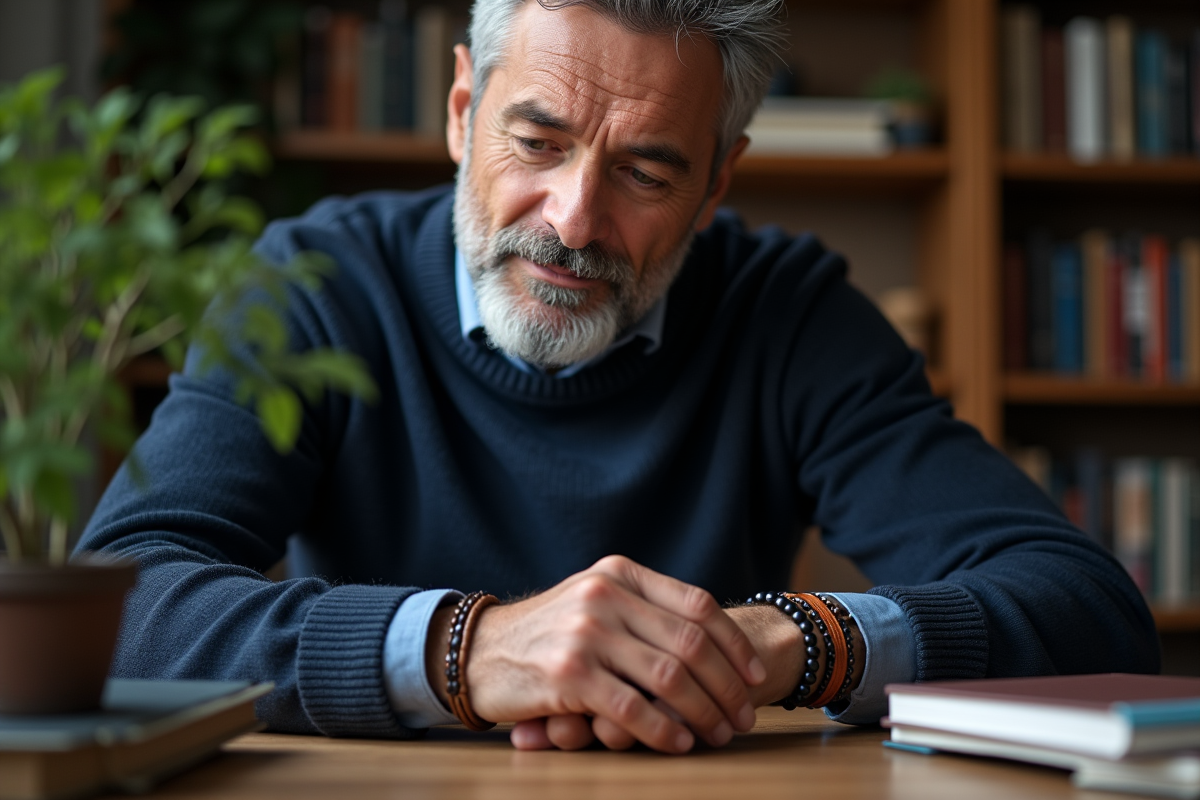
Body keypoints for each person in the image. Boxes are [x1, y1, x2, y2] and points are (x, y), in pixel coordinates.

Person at [79, 0, 1159, 755]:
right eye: (537, 142)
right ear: (462, 112)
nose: (575, 220)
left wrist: (786, 640)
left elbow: (1092, 612)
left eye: (646, 170)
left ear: (717, 181)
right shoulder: (315, 284)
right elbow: (114, 605)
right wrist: (468, 646)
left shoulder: (787, 313)